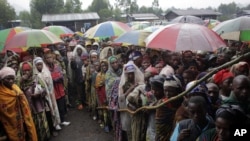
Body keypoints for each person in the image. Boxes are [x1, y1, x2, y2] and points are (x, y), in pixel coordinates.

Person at [0, 67, 38, 141]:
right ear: (2, 80)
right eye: (8, 79)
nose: (11, 81)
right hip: (9, 126)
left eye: (12, 78)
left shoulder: (16, 88)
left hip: (23, 121)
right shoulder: (1, 94)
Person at [17, 62, 51, 141]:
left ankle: (45, 138)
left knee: (42, 122)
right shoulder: (19, 81)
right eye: (24, 71)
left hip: (38, 104)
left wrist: (39, 93)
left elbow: (44, 89)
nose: (26, 72)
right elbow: (16, 92)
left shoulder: (36, 78)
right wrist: (21, 81)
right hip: (28, 108)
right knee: (32, 125)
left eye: (28, 70)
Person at [33, 57, 62, 136]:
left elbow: (50, 82)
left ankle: (56, 124)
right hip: (43, 98)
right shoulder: (35, 75)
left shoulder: (46, 72)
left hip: (50, 93)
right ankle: (51, 128)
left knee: (54, 108)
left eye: (41, 64)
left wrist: (48, 87)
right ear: (35, 66)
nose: (40, 66)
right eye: (38, 65)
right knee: (48, 113)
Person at [120, 61, 144, 141]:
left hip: (138, 108)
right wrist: (131, 88)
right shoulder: (125, 84)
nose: (131, 75)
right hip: (129, 109)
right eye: (129, 74)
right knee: (130, 129)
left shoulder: (139, 82)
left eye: (132, 73)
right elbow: (122, 97)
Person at [44, 53, 71, 127]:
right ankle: (56, 123)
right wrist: (55, 79)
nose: (49, 59)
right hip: (52, 91)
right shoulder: (45, 69)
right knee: (54, 107)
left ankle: (62, 120)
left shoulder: (57, 66)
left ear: (53, 58)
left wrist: (58, 78)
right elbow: (47, 79)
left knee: (61, 105)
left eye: (50, 57)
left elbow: (61, 75)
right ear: (45, 60)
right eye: (47, 58)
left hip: (60, 88)